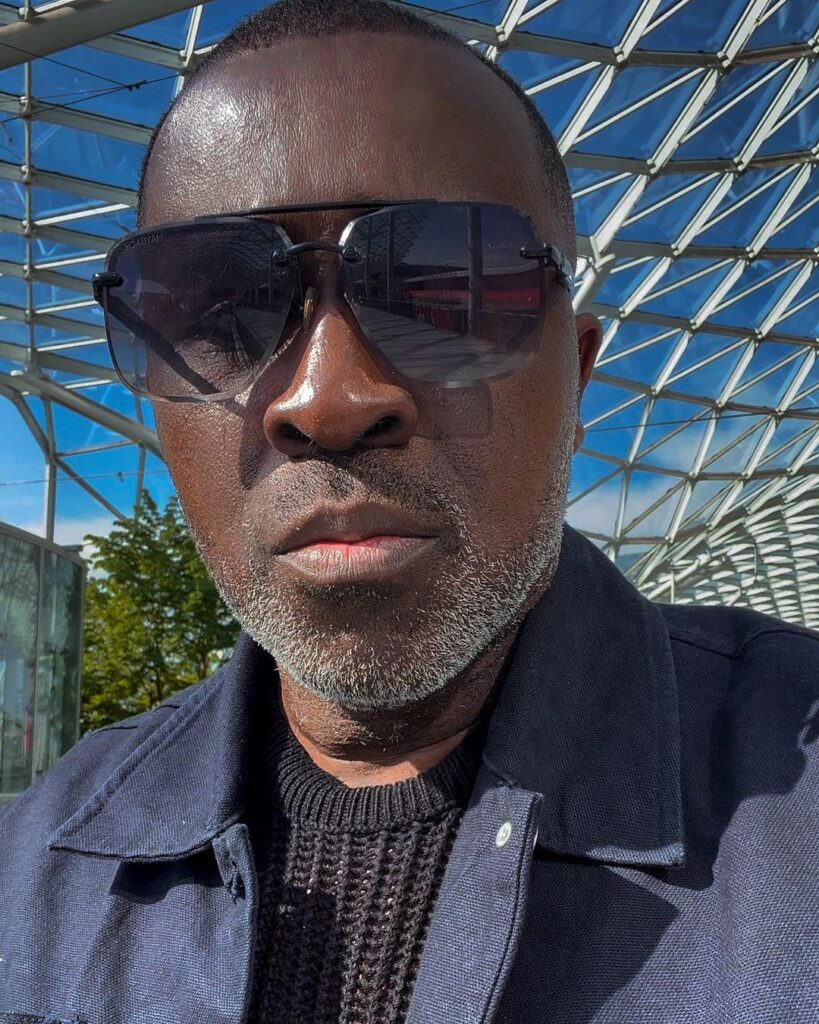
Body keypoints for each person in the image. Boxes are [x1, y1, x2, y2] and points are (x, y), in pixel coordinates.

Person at [1, 1, 817, 1022]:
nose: (327, 399)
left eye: (446, 290)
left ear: (575, 380)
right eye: (217, 308)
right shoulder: (36, 871)